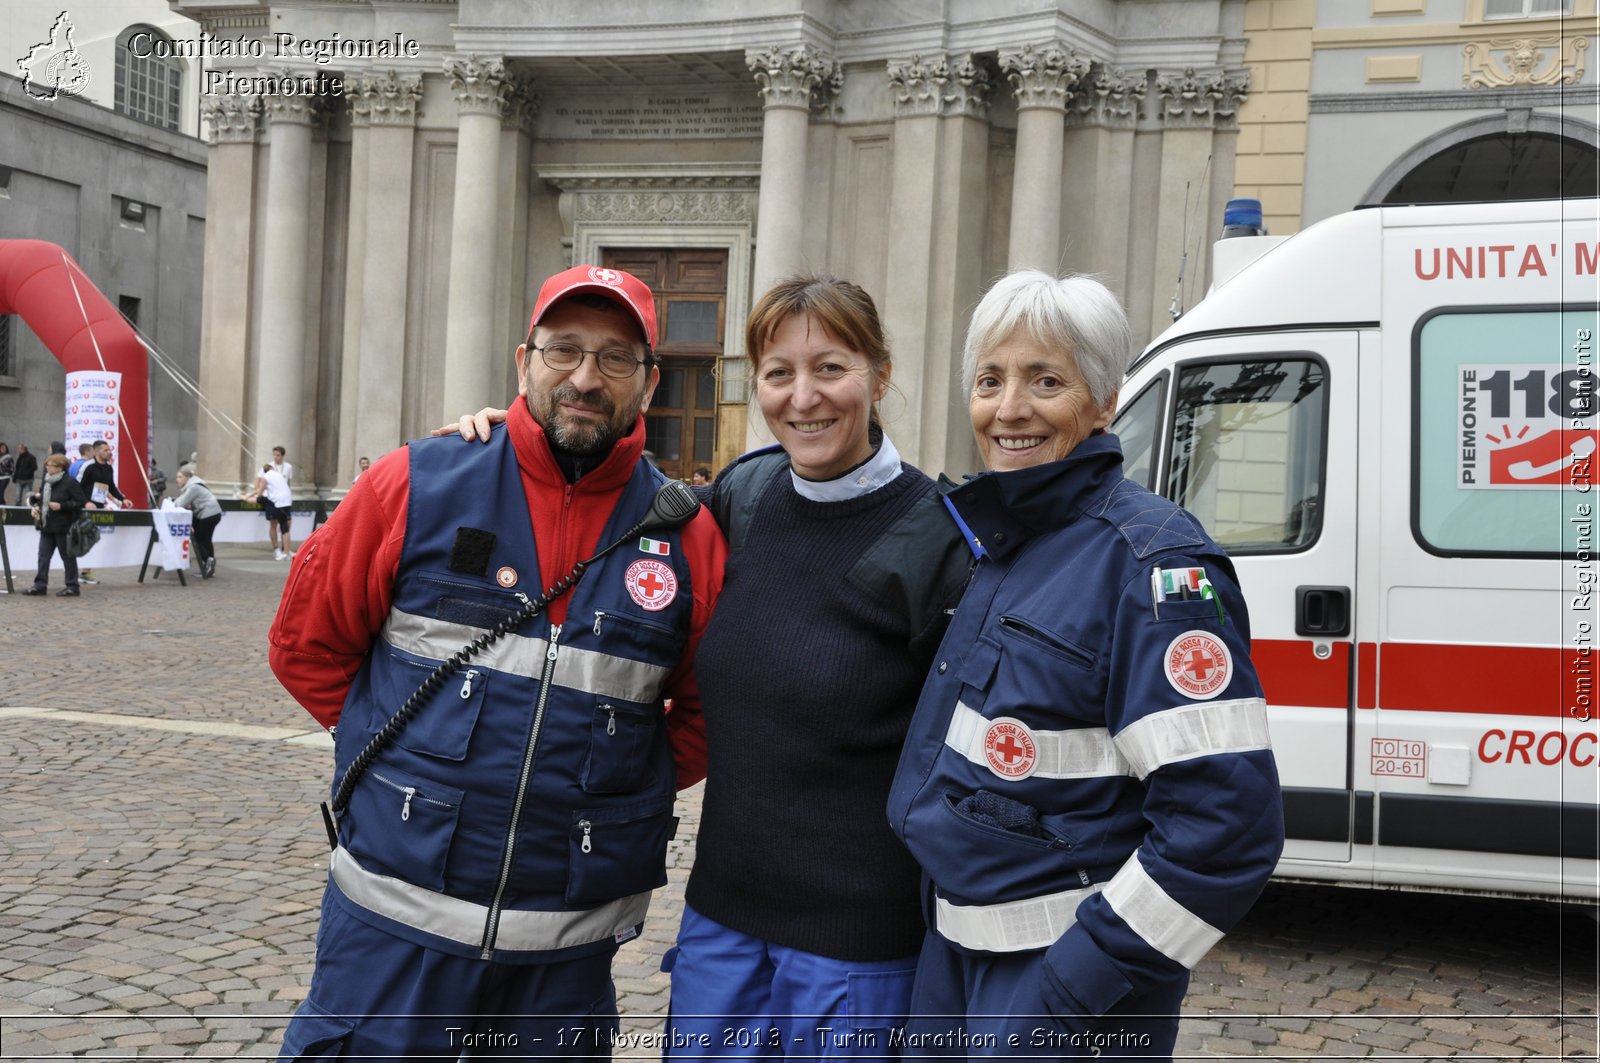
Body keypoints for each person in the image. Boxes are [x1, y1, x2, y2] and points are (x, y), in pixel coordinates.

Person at [447, 275, 972, 1057]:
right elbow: (616, 511)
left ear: (880, 375)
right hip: (721, 923)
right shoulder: (744, 495)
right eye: (778, 372)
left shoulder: (940, 537)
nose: (803, 397)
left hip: (857, 945)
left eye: (831, 368)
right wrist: (513, 443)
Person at [267, 264, 726, 1061]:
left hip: (565, 956)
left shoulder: (688, 538)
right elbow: (307, 644)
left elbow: (709, 715)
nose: (586, 377)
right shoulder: (416, 480)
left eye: (617, 358)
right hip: (391, 932)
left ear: (649, 385)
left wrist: (614, 782)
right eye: (565, 350)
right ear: (524, 362)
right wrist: (403, 749)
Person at [886, 271, 1284, 1061]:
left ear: (1105, 402)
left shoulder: (1154, 565)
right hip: (955, 961)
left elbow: (1225, 830)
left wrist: (1072, 990)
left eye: (1046, 380)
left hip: (1057, 989)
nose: (1009, 409)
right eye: (990, 380)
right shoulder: (1007, 536)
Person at [23, 452, 88, 597]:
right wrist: (36, 503)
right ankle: (40, 585)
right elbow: (44, 500)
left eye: (50, 465)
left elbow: (80, 502)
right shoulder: (46, 481)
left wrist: (62, 506)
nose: (47, 467)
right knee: (43, 556)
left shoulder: (70, 482)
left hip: (63, 526)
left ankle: (72, 586)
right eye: (47, 465)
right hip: (46, 524)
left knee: (67, 557)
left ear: (60, 467)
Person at [172, 466, 222, 579]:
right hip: (213, 513)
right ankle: (210, 568)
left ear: (187, 477)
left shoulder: (193, 487)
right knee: (206, 540)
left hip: (208, 514)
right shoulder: (195, 485)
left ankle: (208, 560)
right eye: (177, 477)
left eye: (180, 477)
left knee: (197, 539)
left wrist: (171, 502)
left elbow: (180, 503)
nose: (177, 479)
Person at [242, 462, 293, 560]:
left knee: (284, 528)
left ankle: (286, 553)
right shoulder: (278, 475)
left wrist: (258, 497)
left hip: (279, 503)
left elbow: (260, 490)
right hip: (287, 501)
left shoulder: (266, 476)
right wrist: (251, 495)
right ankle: (287, 552)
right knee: (285, 528)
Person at [79, 440, 133, 509]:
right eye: (106, 450)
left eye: (109, 450)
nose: (109, 453)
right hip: (86, 507)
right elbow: (78, 487)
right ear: (96, 452)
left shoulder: (109, 468)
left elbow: (111, 487)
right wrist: (86, 503)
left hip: (100, 506)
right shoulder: (88, 466)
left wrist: (123, 499)